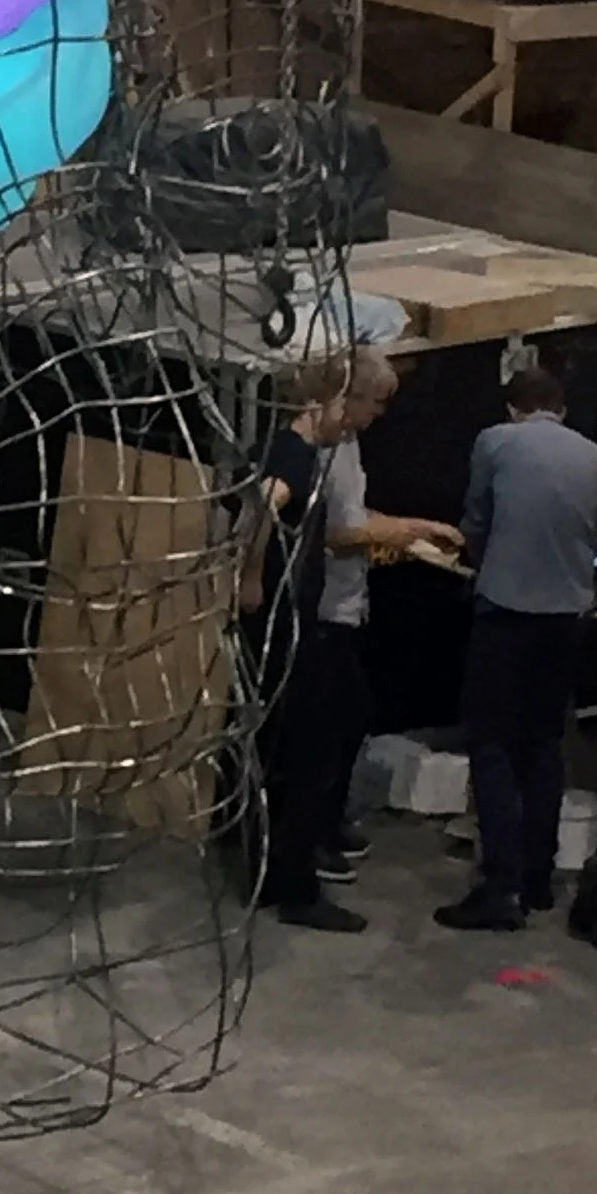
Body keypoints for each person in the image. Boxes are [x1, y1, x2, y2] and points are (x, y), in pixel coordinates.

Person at [437, 366, 597, 932]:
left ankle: (501, 887)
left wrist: (481, 559)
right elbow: (595, 532)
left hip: (507, 611)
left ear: (513, 408)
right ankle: (539, 878)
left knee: (490, 741)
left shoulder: (495, 442)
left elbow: (477, 521)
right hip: (566, 619)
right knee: (544, 742)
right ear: (561, 408)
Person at [316, 349, 465, 886]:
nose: (380, 414)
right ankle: (311, 837)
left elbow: (359, 516)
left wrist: (411, 527)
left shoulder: (350, 445)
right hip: (324, 608)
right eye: (375, 402)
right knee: (331, 727)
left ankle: (327, 823)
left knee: (352, 719)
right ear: (348, 396)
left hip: (349, 602)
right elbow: (334, 530)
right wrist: (405, 533)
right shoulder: (321, 448)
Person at [240, 353, 360, 932]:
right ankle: (296, 887)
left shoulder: (283, 448)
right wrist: (251, 575)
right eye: (343, 405)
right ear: (319, 402)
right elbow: (264, 504)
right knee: (308, 754)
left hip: (284, 616)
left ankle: (267, 874)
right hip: (283, 622)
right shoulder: (294, 454)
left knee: (276, 751)